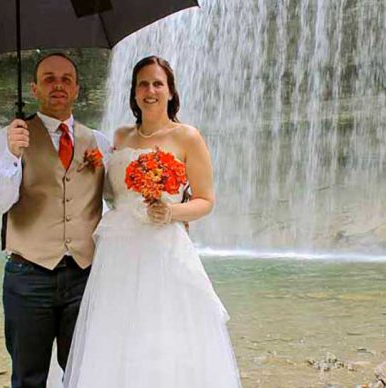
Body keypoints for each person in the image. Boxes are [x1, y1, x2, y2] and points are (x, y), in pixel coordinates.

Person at [62, 56, 241, 387]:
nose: (150, 90)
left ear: (171, 91)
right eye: (142, 84)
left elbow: (206, 200)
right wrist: (89, 169)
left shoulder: (188, 137)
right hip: (117, 251)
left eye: (158, 83)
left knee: (161, 335)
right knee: (115, 333)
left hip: (163, 248)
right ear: (133, 93)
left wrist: (172, 212)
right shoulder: (120, 137)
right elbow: (110, 195)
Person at [0, 52, 111, 387]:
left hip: (84, 277)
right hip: (28, 277)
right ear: (34, 88)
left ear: (77, 89)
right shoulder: (10, 138)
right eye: (49, 79)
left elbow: (119, 199)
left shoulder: (99, 142)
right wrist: (13, 155)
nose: (58, 85)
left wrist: (172, 204)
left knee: (84, 374)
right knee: (28, 378)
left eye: (66, 79)